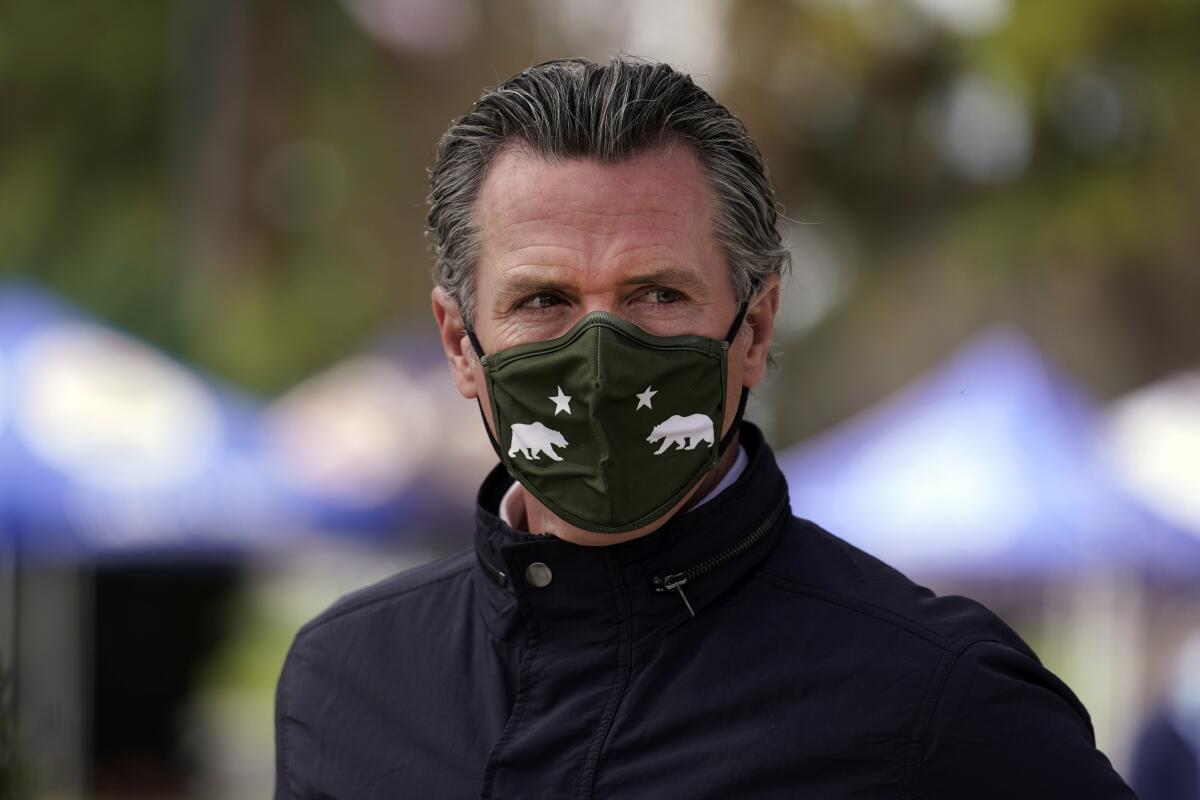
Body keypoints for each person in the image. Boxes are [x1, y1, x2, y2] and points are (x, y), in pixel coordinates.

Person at [273, 56, 1135, 798]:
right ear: (461, 343)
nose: (601, 357)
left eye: (658, 294)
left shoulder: (941, 701)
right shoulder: (348, 678)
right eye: (544, 301)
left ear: (754, 331)